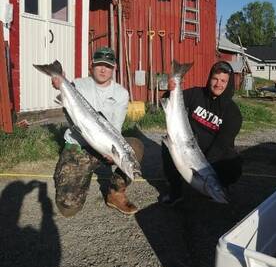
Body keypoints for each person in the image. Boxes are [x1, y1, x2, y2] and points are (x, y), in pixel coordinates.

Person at [52, 46, 144, 217]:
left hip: (104, 146)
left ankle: (115, 194)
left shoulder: (121, 93)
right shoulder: (78, 85)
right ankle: (78, 178)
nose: (103, 69)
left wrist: (110, 152)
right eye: (99, 65)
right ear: (91, 66)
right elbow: (66, 103)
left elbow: (115, 128)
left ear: (114, 68)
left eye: (108, 66)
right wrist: (60, 84)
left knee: (135, 147)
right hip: (79, 146)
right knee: (68, 208)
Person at [160, 60, 243, 206]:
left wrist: (203, 170)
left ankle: (220, 186)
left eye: (223, 81)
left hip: (214, 152)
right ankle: (175, 190)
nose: (218, 84)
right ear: (209, 79)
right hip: (189, 142)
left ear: (229, 83)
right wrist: (171, 88)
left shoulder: (233, 113)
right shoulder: (196, 94)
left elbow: (221, 145)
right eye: (215, 79)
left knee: (233, 164)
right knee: (169, 146)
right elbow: (167, 100)